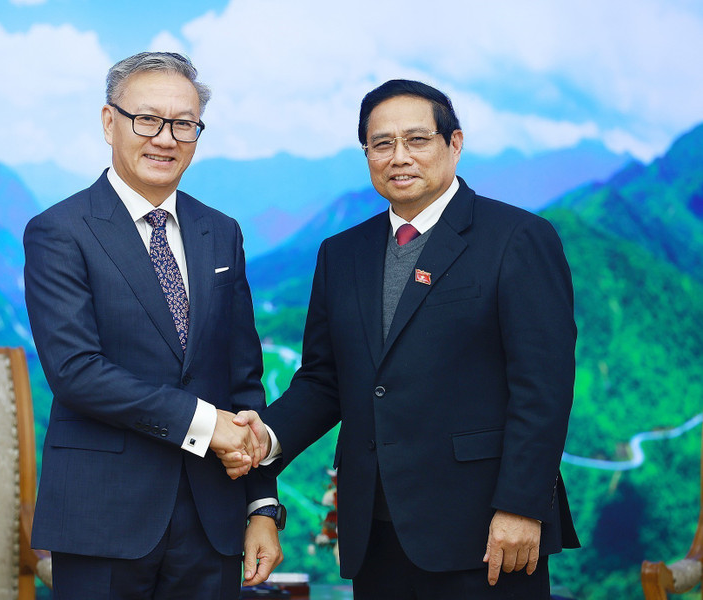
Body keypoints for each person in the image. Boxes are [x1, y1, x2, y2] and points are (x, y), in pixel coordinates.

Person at [223, 79, 579, 599]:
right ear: (366, 153)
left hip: (486, 529)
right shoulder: (341, 253)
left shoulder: (518, 238)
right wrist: (265, 438)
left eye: (417, 140)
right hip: (375, 527)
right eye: (381, 143)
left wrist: (521, 505)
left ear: (454, 143)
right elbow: (325, 380)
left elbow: (543, 388)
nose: (399, 157)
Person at [24, 52, 282, 600]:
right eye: (147, 119)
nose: (165, 138)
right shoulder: (59, 231)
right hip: (102, 517)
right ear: (108, 121)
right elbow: (76, 371)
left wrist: (262, 505)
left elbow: (244, 380)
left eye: (183, 124)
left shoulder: (222, 232)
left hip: (213, 519)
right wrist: (207, 426)